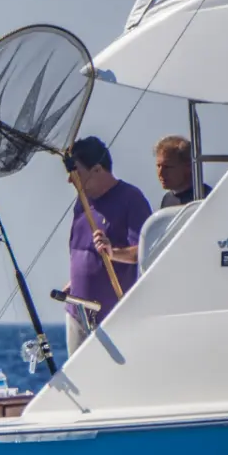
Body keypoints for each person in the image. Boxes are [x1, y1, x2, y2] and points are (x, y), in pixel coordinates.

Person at [60, 136, 153, 356]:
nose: (71, 181)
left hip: (111, 314)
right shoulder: (82, 202)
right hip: (77, 310)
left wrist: (113, 252)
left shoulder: (131, 198)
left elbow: (143, 251)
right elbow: (81, 249)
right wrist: (76, 279)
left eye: (77, 173)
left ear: (97, 170)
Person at [155, 135, 211, 209]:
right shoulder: (167, 199)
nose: (160, 173)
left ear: (188, 166)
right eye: (158, 166)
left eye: (167, 167)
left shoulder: (206, 198)